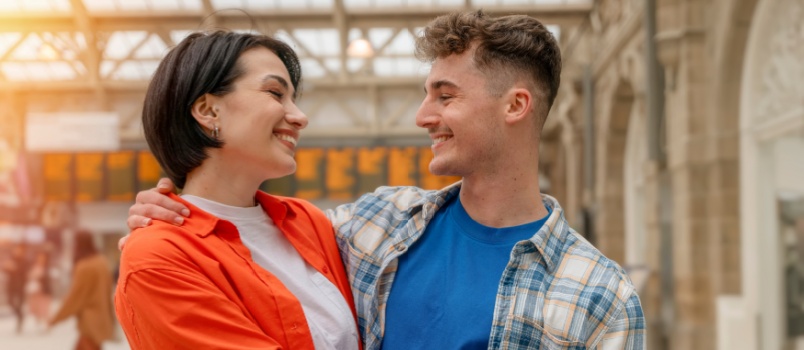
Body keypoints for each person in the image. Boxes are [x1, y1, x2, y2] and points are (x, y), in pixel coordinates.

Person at [125, 10, 646, 349]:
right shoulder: (378, 225)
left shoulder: (601, 296)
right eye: (275, 93)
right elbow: (208, 230)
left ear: (516, 105)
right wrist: (166, 220)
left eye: (445, 96)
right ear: (205, 110)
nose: (422, 116)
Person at [113, 30, 361, 350]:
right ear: (208, 111)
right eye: (275, 93)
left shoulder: (308, 222)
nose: (300, 117)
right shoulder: (159, 256)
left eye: (294, 100)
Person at [49, 231, 115, 350]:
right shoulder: (102, 262)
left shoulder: (84, 267)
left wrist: (55, 318)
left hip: (89, 322)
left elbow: (75, 298)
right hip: (102, 318)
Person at [3, 242, 29, 334]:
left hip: (21, 286)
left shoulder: (25, 261)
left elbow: (24, 272)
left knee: (20, 304)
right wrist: (7, 267)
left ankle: (20, 320)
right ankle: (20, 316)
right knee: (10, 302)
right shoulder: (11, 259)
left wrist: (15, 269)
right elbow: (5, 269)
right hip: (11, 285)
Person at [26, 248, 53, 330]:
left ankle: (47, 325)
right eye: (39, 257)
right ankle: (39, 323)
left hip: (44, 291)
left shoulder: (48, 268)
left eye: (42, 257)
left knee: (44, 309)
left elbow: (49, 280)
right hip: (35, 291)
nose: (41, 259)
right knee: (36, 309)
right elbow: (29, 277)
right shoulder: (34, 266)